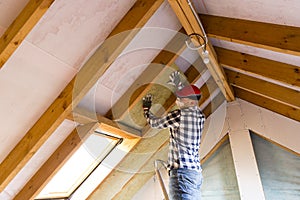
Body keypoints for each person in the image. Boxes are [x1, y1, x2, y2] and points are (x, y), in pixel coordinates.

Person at [142, 71, 206, 200]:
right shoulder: (200, 116)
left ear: (191, 103)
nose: (178, 100)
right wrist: (178, 84)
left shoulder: (179, 115)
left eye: (182, 99)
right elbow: (189, 97)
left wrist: (146, 110)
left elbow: (155, 123)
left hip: (182, 174)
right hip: (195, 174)